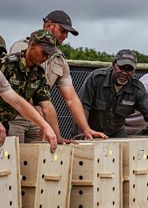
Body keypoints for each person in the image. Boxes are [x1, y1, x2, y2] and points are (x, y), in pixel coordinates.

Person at [10, 10, 107, 143]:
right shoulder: (23, 48)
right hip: (14, 117)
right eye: (63, 30)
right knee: (11, 158)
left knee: (39, 160)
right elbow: (17, 91)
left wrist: (86, 129)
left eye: (67, 33)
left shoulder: (60, 60)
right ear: (49, 25)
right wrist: (43, 123)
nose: (65, 36)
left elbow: (71, 98)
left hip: (39, 120)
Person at [77, 49, 148, 145]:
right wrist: (84, 131)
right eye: (122, 67)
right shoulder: (96, 79)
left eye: (129, 69)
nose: (124, 72)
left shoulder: (136, 89)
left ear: (134, 71)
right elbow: (83, 107)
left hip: (115, 133)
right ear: (114, 64)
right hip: (89, 130)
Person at [0, 30, 59, 151]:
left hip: (5, 124)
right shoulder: (7, 64)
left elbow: (44, 105)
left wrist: (49, 129)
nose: (46, 57)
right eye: (44, 52)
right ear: (32, 45)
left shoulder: (39, 74)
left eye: (49, 55)